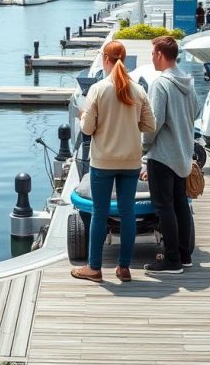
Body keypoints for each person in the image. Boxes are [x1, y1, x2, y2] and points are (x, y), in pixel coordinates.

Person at [72, 41, 155, 283]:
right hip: (130, 160)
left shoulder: (98, 89)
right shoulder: (138, 90)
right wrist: (131, 125)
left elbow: (87, 129)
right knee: (127, 213)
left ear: (106, 60)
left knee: (99, 212)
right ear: (124, 59)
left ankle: (94, 268)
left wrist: (83, 116)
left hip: (103, 161)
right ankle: (124, 267)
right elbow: (150, 125)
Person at [139, 36, 198, 274]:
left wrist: (144, 148)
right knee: (181, 204)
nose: (151, 58)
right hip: (183, 153)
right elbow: (196, 110)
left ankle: (171, 259)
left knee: (164, 207)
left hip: (163, 156)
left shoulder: (160, 84)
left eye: (153, 53)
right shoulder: (188, 81)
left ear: (161, 54)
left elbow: (153, 124)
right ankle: (184, 255)